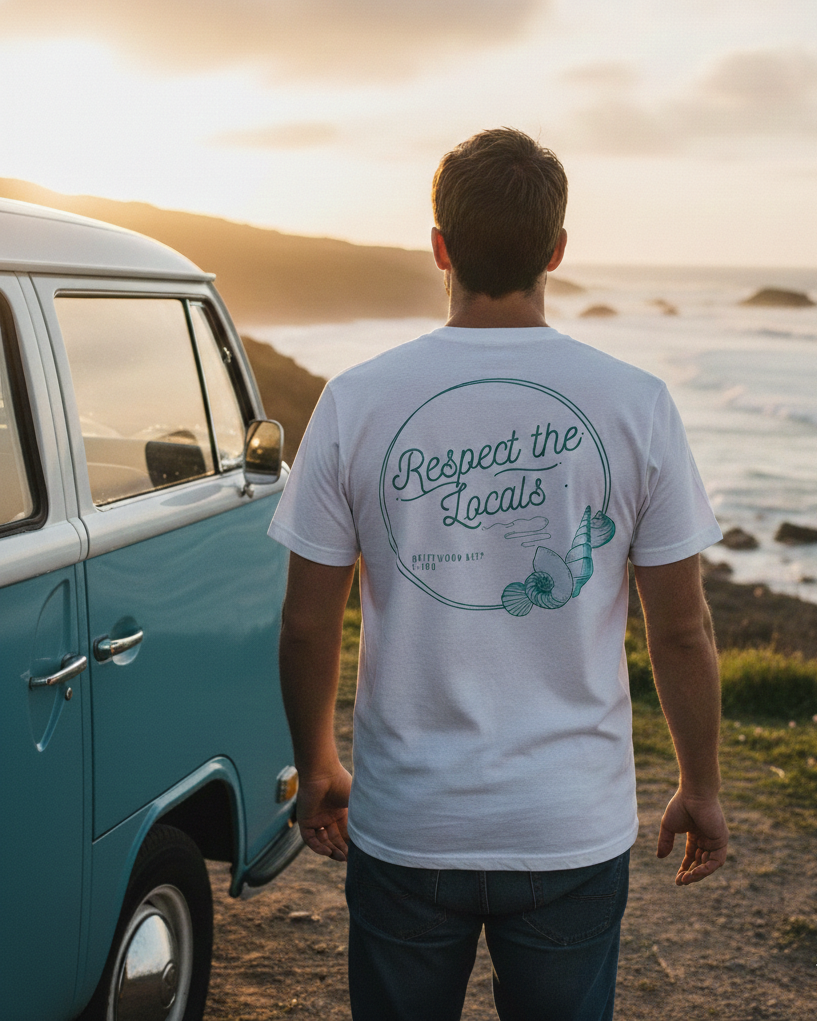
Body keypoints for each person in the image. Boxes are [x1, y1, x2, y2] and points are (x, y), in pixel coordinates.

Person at [268, 127, 729, 1022]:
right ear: (556, 250)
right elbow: (680, 628)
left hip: (407, 822)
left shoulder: (356, 400)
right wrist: (699, 787)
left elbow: (306, 620)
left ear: (439, 247)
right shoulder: (636, 403)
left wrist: (315, 760)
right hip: (567, 828)